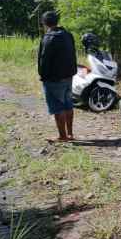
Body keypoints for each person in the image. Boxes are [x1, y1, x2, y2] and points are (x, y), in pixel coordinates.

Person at [37, 11, 77, 142]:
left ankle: (63, 136)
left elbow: (44, 60)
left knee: (57, 107)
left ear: (44, 23)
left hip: (54, 79)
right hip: (68, 76)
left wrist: (43, 75)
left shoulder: (48, 37)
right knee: (68, 104)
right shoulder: (68, 35)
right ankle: (70, 134)